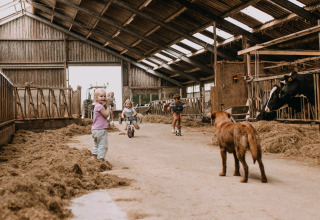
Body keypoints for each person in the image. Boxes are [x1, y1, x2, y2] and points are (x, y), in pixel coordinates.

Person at [91, 88, 110, 161]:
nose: (103, 98)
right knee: (103, 145)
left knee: (97, 145)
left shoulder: (96, 106)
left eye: (104, 96)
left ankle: (94, 157)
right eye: (101, 96)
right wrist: (108, 107)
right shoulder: (99, 106)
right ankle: (101, 159)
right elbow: (106, 115)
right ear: (96, 98)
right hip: (100, 130)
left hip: (95, 130)